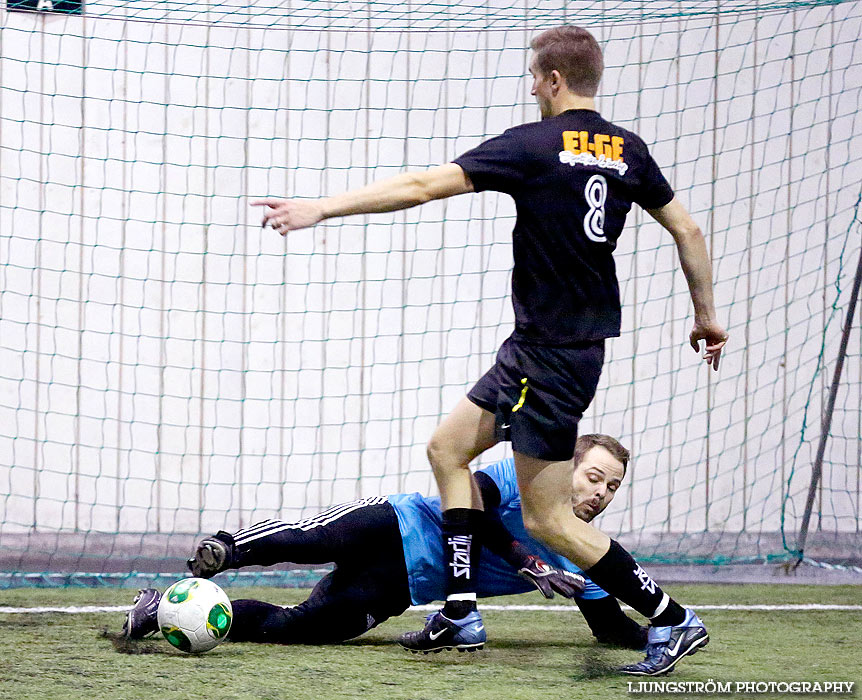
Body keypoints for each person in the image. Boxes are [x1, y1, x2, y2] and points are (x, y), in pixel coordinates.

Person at [250, 25, 727, 676]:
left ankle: (673, 619)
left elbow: (421, 185)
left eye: (536, 77)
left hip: (548, 356)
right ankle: (460, 608)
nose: (533, 87)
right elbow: (689, 229)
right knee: (447, 449)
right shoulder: (628, 150)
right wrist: (706, 318)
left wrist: (323, 208)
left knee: (551, 520)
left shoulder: (534, 145)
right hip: (550, 349)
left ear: (554, 80)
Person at [125, 434, 647, 652]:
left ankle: (162, 613)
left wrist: (662, 629)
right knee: (311, 540)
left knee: (298, 628)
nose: (600, 493)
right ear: (567, 469)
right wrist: (525, 559)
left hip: (399, 585)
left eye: (612, 486)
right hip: (398, 524)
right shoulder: (524, 476)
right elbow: (466, 501)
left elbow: (609, 627)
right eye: (594, 476)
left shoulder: (586, 553)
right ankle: (228, 549)